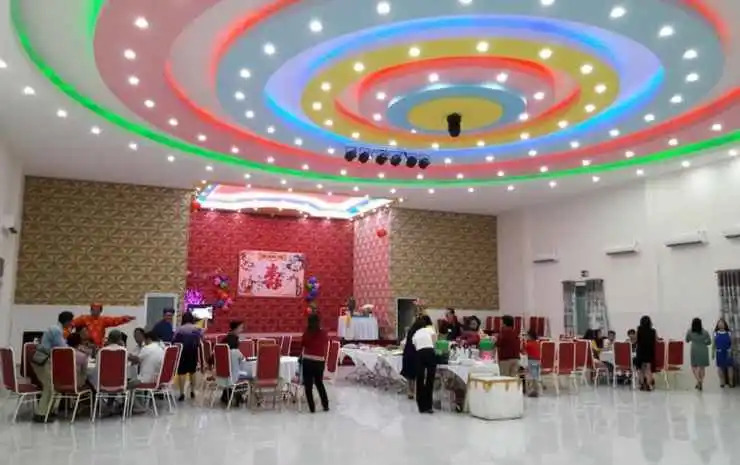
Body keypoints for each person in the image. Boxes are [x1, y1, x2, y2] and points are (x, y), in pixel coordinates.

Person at [31, 311, 75, 423]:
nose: (71, 324)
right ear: (67, 321)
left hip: (46, 360)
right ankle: (40, 414)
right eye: (71, 321)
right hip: (42, 361)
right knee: (49, 387)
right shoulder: (56, 330)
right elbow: (63, 347)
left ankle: (49, 411)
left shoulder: (57, 329)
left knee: (54, 387)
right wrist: (76, 351)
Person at [68, 303, 136, 347]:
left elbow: (114, 320)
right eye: (93, 310)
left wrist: (124, 319)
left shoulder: (103, 320)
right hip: (86, 345)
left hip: (99, 346)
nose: (95, 312)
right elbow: (72, 324)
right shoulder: (84, 318)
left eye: (97, 310)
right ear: (91, 310)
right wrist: (68, 332)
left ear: (100, 311)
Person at [300, 313, 330, 413]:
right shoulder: (323, 333)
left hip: (308, 360)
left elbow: (303, 344)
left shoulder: (307, 332)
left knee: (308, 385)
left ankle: (312, 408)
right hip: (319, 361)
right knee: (319, 383)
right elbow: (325, 343)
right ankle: (325, 405)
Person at [173, 312, 202, 401]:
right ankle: (192, 391)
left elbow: (173, 340)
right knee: (192, 372)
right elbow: (201, 340)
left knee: (182, 372)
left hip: (182, 352)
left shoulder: (179, 329)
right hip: (193, 352)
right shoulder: (197, 328)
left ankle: (182, 393)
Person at [412, 315, 437, 414]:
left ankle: (421, 407)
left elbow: (415, 346)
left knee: (420, 379)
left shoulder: (415, 334)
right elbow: (434, 342)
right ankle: (429, 406)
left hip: (419, 354)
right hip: (430, 352)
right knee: (430, 379)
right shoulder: (429, 330)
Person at [685, 318, 711, 391]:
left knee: (694, 367)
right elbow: (709, 342)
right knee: (702, 368)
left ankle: (699, 381)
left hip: (694, 350)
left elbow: (687, 340)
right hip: (703, 350)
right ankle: (700, 382)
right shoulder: (705, 332)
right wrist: (703, 342)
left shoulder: (690, 331)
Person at [400, 319, 422, 399]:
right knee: (414, 375)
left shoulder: (410, 331)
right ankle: (414, 391)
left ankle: (409, 391)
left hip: (407, 354)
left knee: (409, 375)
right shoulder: (418, 333)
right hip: (414, 354)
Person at [636, 316, 657, 391]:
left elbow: (636, 340)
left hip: (640, 351)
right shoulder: (653, 331)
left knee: (641, 369)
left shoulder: (639, 330)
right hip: (649, 351)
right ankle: (649, 385)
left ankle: (641, 385)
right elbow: (656, 340)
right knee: (648, 369)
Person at [714, 318, 734, 388]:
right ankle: (722, 382)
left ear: (725, 324)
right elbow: (714, 343)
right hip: (719, 352)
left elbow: (732, 342)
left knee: (730, 367)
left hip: (728, 352)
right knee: (720, 367)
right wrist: (713, 352)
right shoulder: (715, 333)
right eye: (719, 323)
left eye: (722, 323)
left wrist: (730, 349)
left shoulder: (729, 333)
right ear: (717, 325)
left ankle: (731, 382)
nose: (721, 325)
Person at [524, 329, 541, 397]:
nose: (526, 337)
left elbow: (523, 351)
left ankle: (533, 391)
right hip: (537, 361)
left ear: (530, 336)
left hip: (531, 360)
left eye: (527, 336)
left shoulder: (529, 344)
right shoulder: (537, 343)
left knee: (532, 376)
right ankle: (536, 390)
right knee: (535, 376)